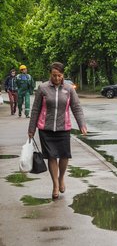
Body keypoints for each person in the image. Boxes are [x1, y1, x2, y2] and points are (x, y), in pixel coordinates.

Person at [28, 62, 87, 200]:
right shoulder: (42, 88)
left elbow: (76, 107)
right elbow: (36, 109)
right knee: (52, 156)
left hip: (63, 127)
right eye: (54, 75)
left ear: (63, 75)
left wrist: (82, 124)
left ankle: (61, 178)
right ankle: (55, 184)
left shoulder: (69, 89)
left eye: (59, 75)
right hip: (46, 128)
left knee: (65, 155)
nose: (56, 78)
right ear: (50, 74)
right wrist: (31, 129)